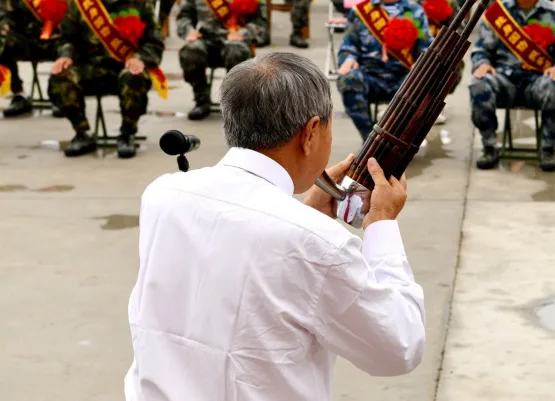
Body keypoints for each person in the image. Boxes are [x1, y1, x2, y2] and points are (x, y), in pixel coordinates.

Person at [124, 50, 425, 398]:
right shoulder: (317, 242)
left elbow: (246, 251)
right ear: (311, 131)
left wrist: (305, 212)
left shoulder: (163, 195)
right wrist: (382, 223)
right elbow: (398, 346)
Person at [49, 0, 164, 158]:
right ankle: (82, 133)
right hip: (88, 68)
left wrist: (141, 57)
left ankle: (127, 134)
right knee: (59, 77)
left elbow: (155, 40)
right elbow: (67, 38)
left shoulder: (140, 2)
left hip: (125, 68)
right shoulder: (80, 2)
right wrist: (65, 56)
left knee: (135, 77)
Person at [470, 0, 555, 172]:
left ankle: (547, 148)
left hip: (539, 81)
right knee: (478, 84)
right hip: (504, 80)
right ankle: (489, 147)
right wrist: (482, 63)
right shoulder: (497, 14)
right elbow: (480, 49)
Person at [338, 0, 432, 140]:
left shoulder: (415, 11)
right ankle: (369, 139)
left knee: (424, 84)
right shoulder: (360, 12)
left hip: (404, 78)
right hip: (370, 76)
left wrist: (420, 65)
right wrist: (348, 60)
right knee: (348, 80)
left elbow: (426, 50)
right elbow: (348, 47)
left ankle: (400, 141)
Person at [176, 0, 265, 120]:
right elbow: (184, 15)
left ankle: (236, 105)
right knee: (191, 50)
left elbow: (261, 21)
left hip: (236, 41)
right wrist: (189, 31)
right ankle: (201, 100)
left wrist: (244, 33)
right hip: (206, 40)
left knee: (236, 49)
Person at [0, 0, 77, 118]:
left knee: (75, 45)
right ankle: (18, 94)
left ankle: (61, 95)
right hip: (28, 40)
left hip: (58, 41)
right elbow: (8, 15)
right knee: (3, 42)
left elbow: (78, 22)